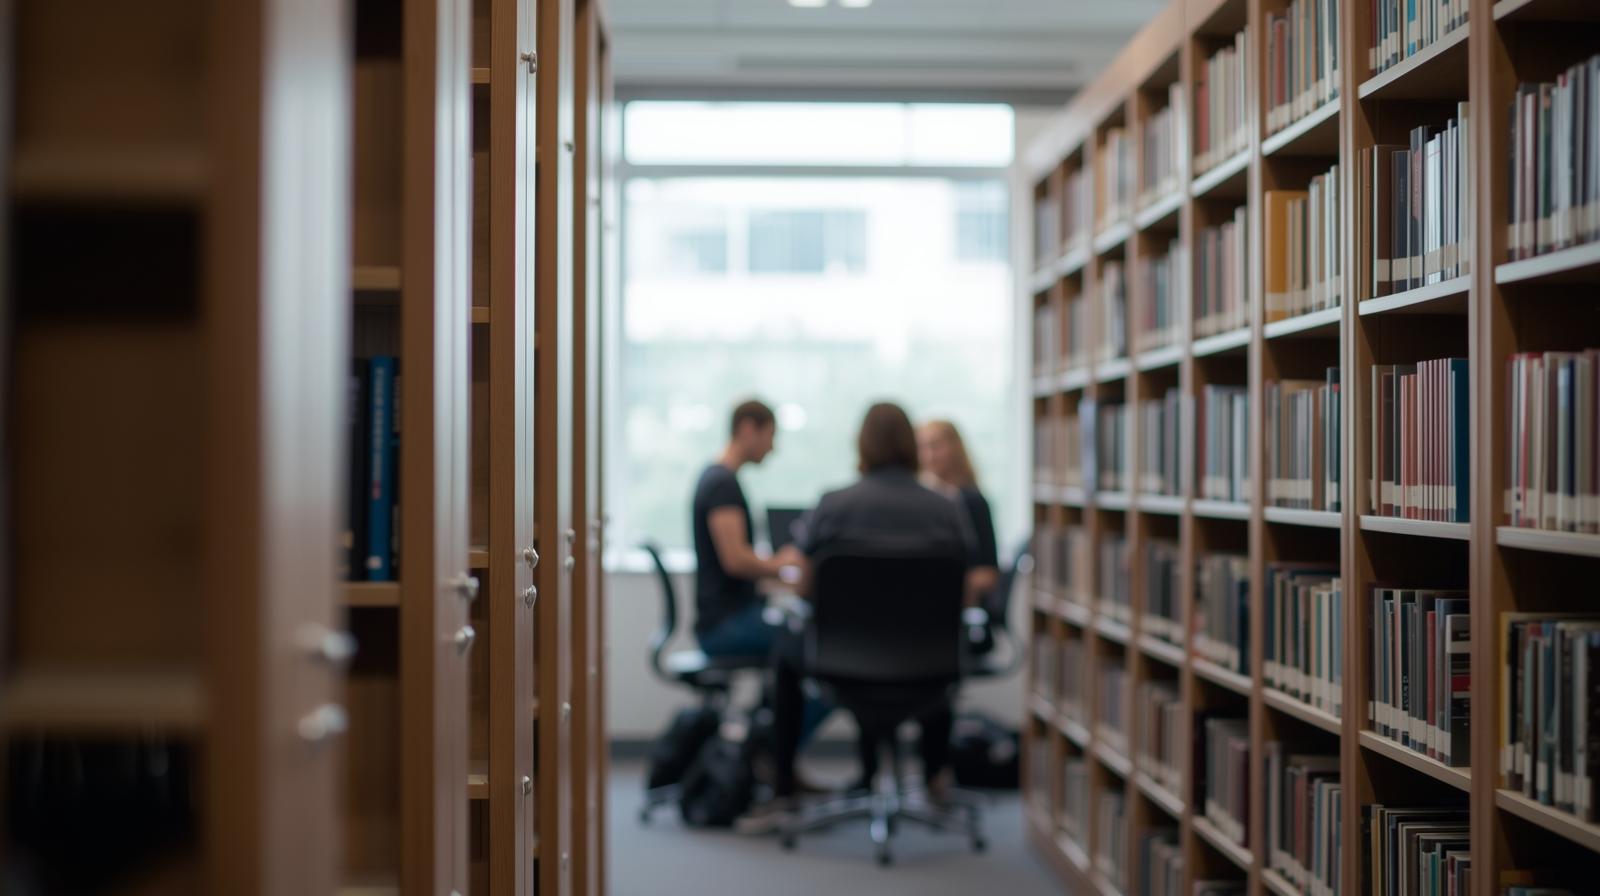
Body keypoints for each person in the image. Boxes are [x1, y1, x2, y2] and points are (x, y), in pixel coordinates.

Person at [741, 402, 973, 831]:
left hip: (844, 664)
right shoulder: (947, 511)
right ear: (911, 447)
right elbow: (961, 588)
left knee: (785, 654)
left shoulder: (834, 506)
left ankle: (782, 787)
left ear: (861, 445)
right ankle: (935, 777)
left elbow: (803, 578)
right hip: (928, 668)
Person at [691, 399, 804, 657]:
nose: (772, 448)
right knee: (803, 639)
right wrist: (782, 566)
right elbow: (736, 560)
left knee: (795, 630)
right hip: (725, 625)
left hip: (726, 619)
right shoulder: (722, 484)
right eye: (770, 436)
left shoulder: (717, 478)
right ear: (748, 429)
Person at [917, 419, 1001, 610]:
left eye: (936, 446)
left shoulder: (973, 501)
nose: (929, 455)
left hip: (956, 605)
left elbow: (989, 573)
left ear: (954, 448)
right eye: (922, 447)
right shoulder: (913, 502)